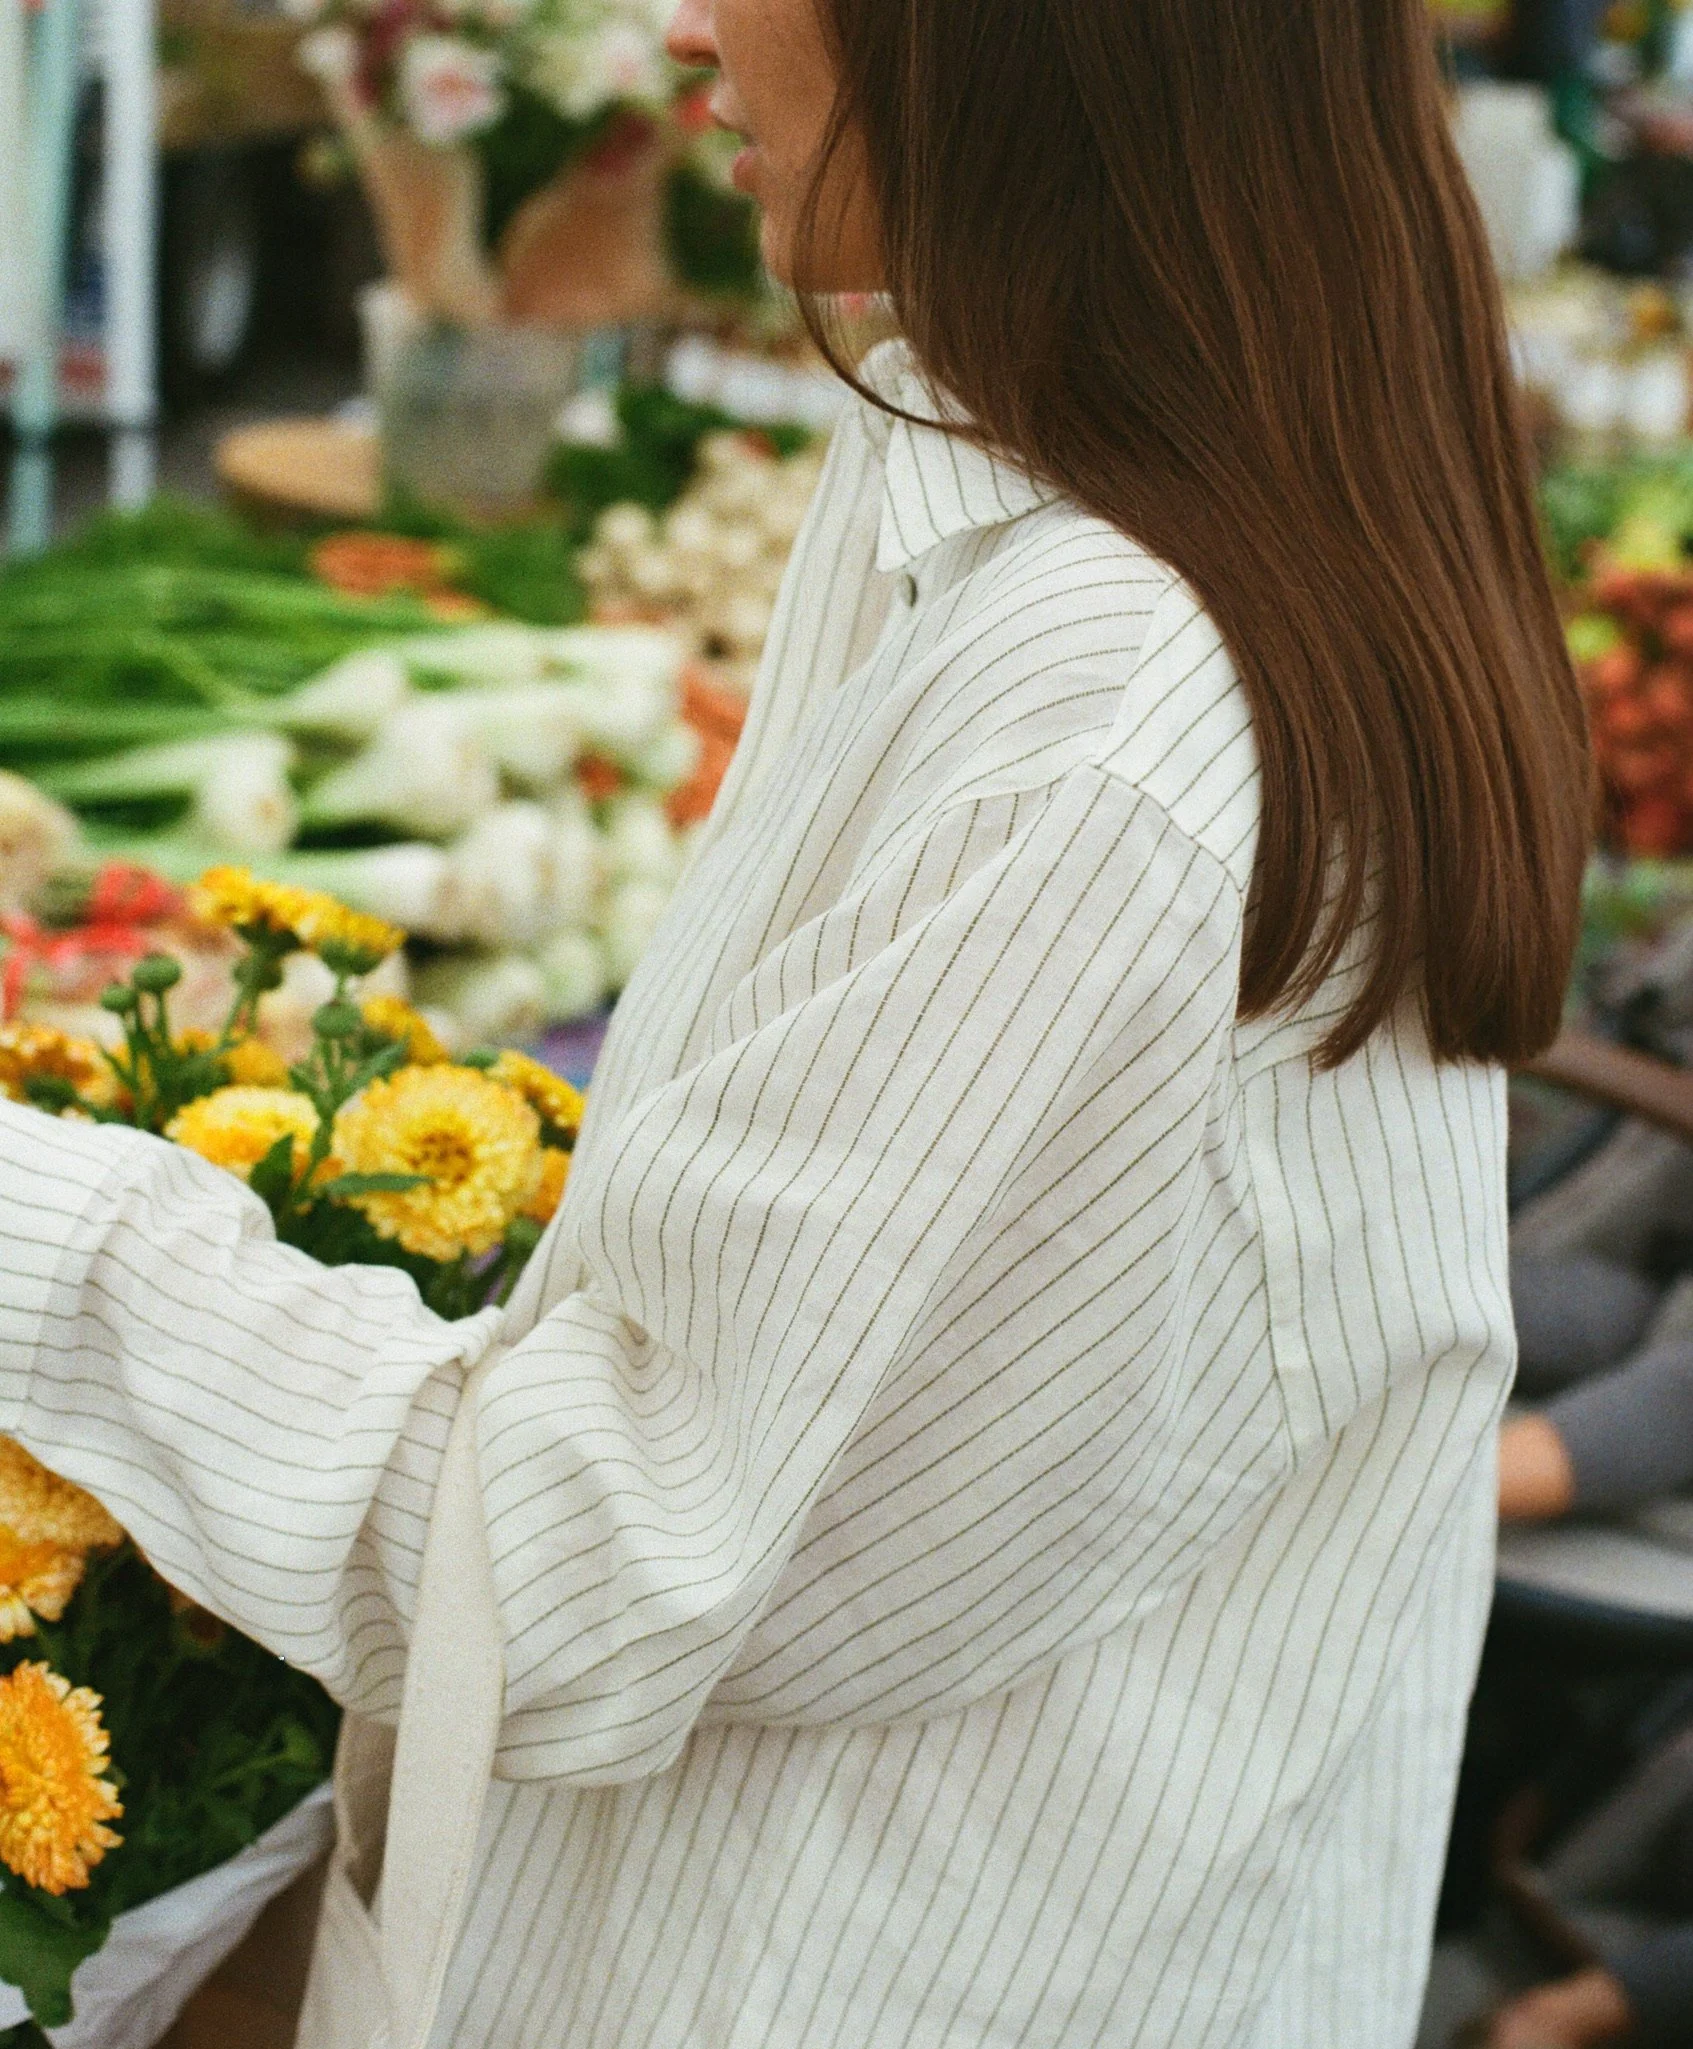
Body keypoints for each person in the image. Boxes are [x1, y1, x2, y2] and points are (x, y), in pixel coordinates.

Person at [0, 1, 1590, 2043]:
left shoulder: (1104, 728)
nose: (680, 25)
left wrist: (52, 1240)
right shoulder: (1032, 485)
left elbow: (595, 1563)